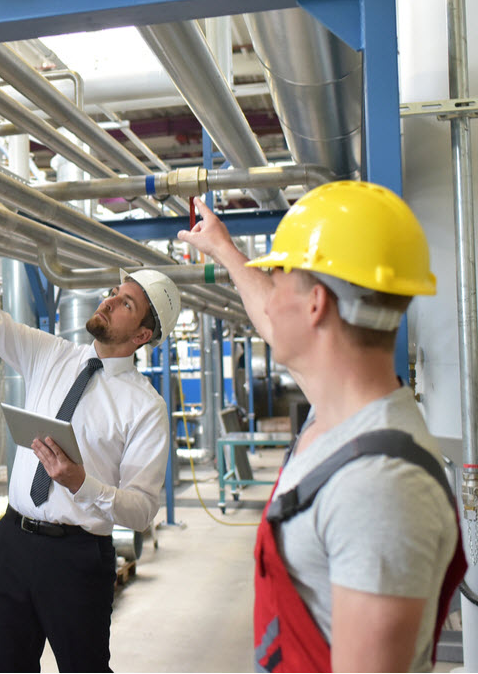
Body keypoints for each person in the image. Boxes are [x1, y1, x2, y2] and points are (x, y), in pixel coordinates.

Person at [178, 181, 467, 672]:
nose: (269, 301)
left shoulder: (378, 487)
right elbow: (273, 320)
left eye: (281, 276)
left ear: (316, 304)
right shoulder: (338, 412)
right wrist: (225, 250)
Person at [0, 203, 181, 672]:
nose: (109, 301)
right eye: (115, 292)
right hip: (14, 543)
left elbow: (141, 510)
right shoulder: (51, 354)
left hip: (77, 559)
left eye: (126, 303)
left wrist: (82, 483)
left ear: (142, 335)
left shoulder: (145, 407)